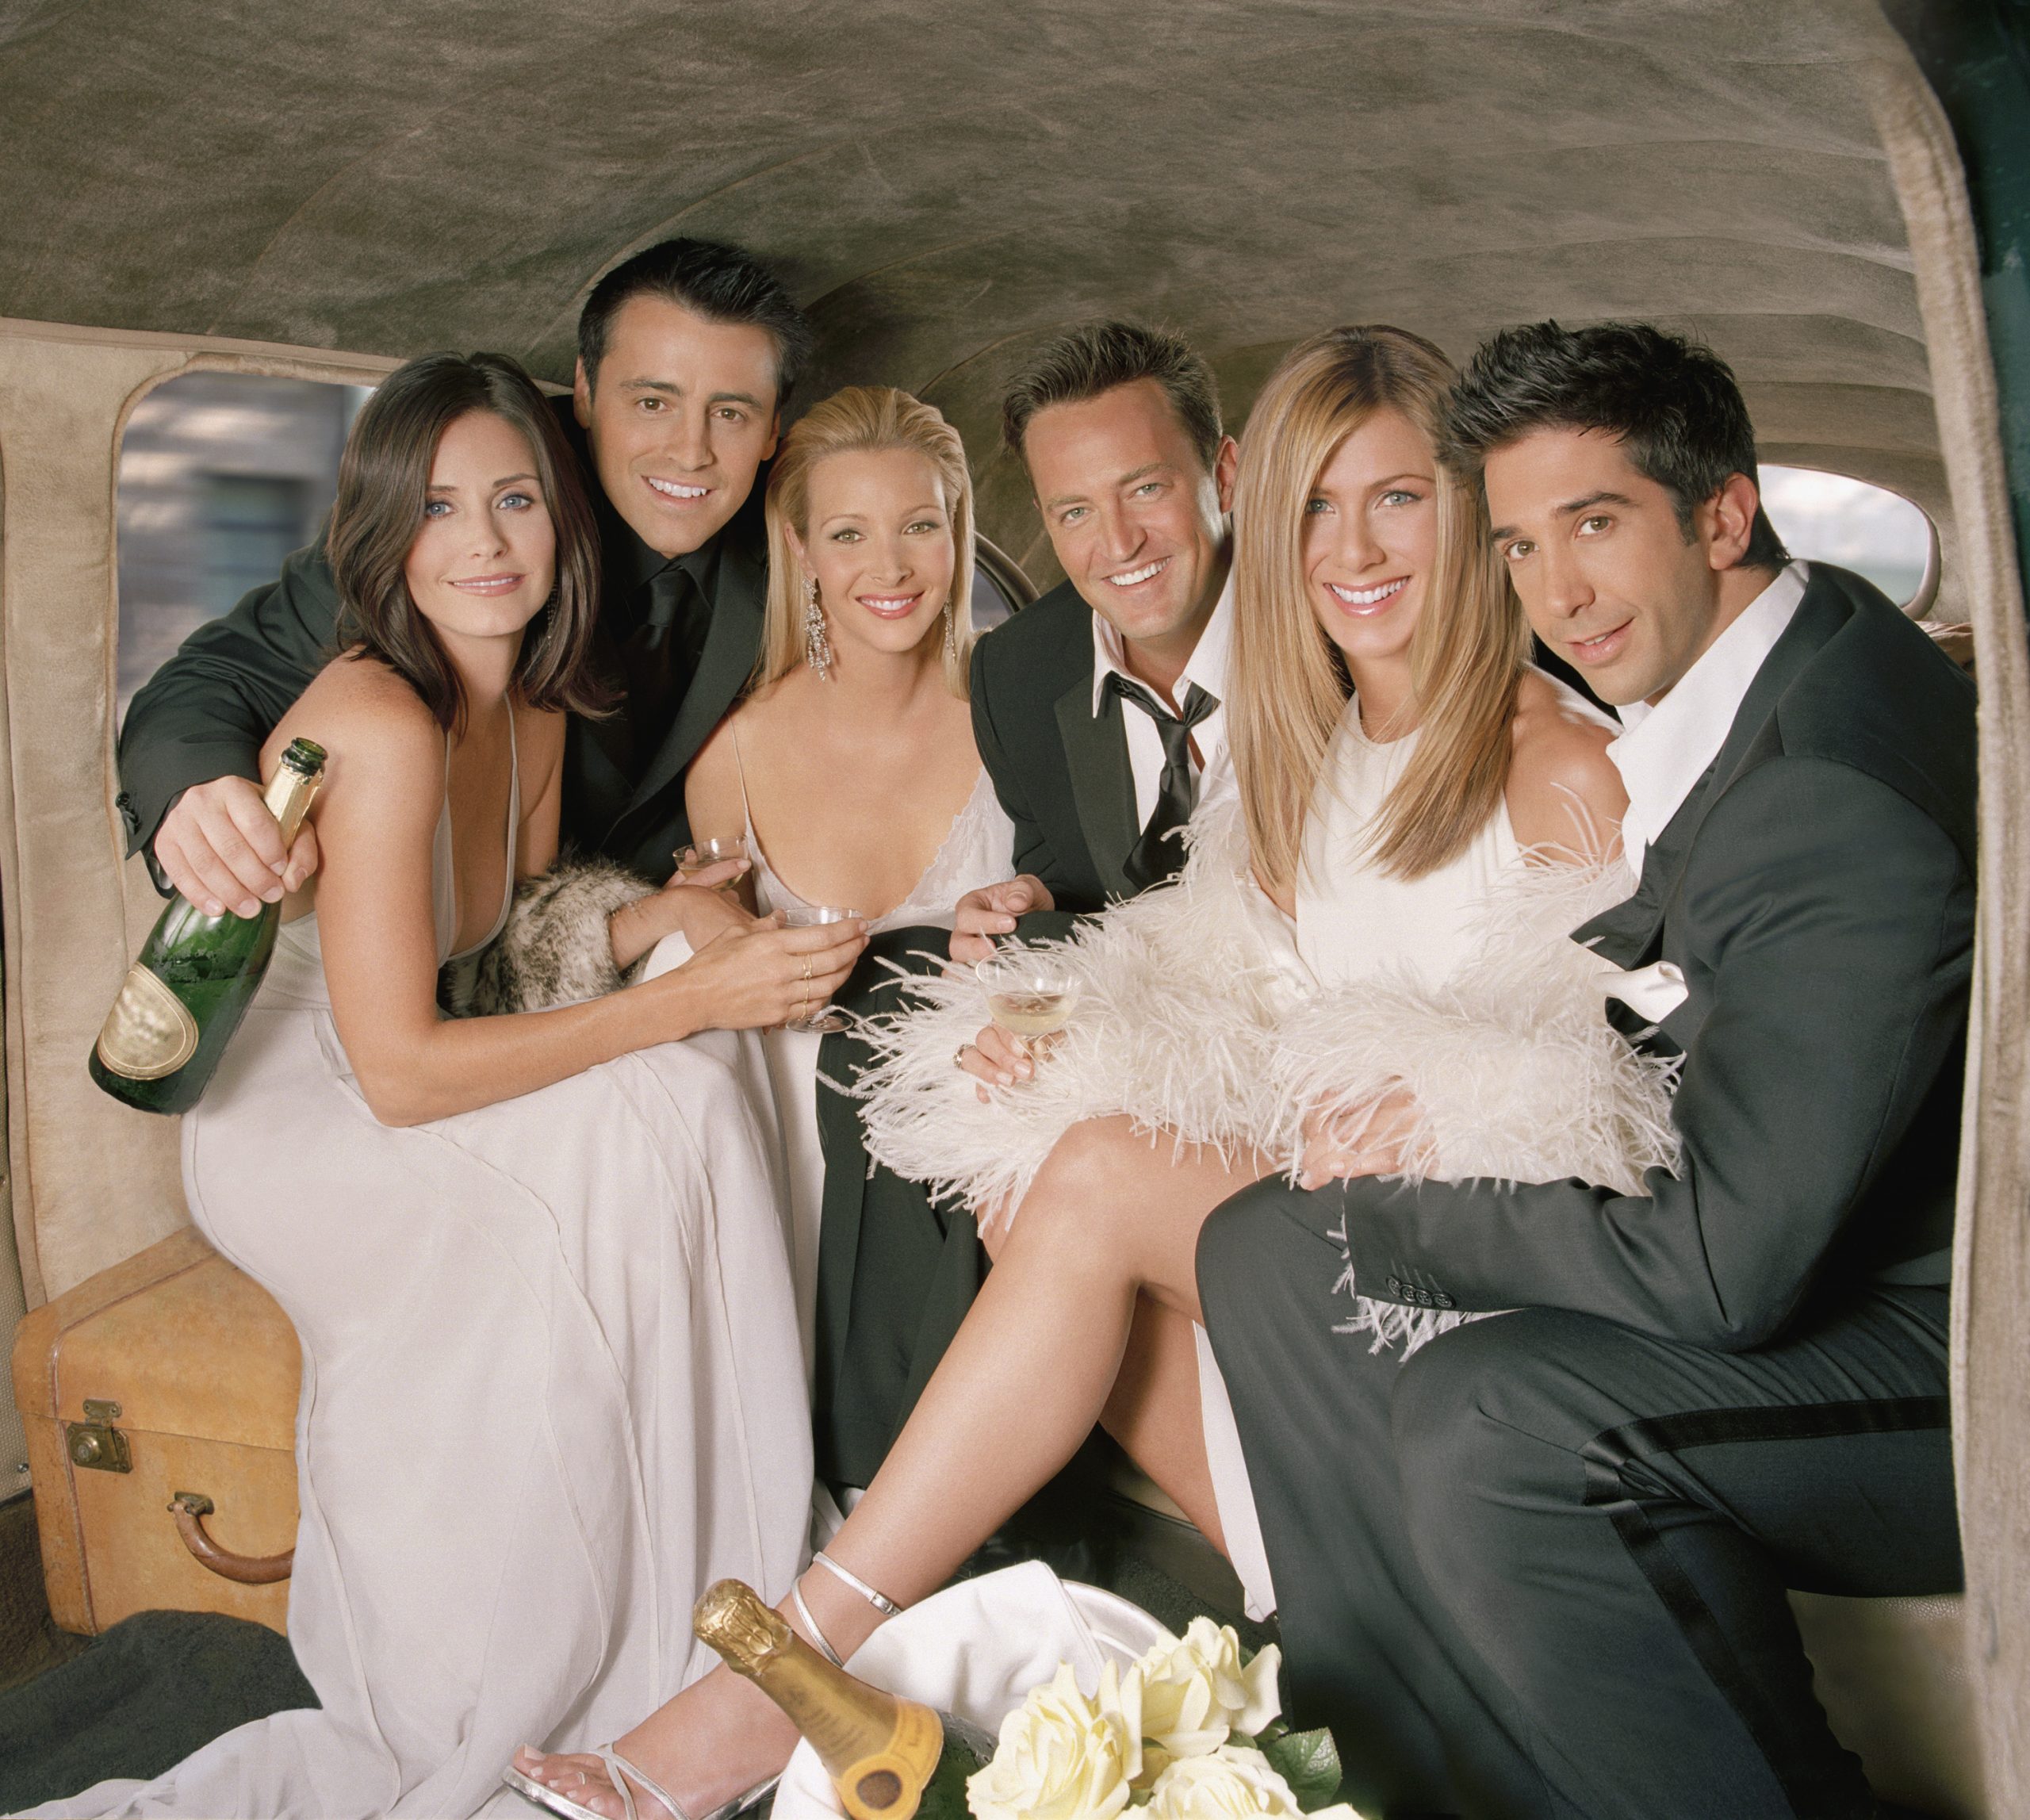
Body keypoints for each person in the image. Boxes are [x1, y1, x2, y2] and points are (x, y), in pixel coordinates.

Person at [511, 324, 1644, 1820]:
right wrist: (1057, 1012)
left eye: (1399, 501)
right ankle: (1325, 1595)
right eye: (1320, 507)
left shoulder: (1558, 758)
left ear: (1474, 513)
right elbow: (1216, 962)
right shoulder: (1315, 749)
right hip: (1320, 1194)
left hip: (1470, 1250)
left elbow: (1619, 1102)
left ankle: (777, 1672)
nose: (1355, 550)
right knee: (1024, 1161)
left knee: (1098, 1175)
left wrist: (1433, 1111)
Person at [1199, 322, 1975, 1816]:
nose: (1558, 592)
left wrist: (1416, 1202)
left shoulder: (1821, 790)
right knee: (1268, 1242)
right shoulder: (1779, 659)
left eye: (1597, 524)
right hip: (1817, 1244)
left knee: (1493, 1411)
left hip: (1951, 1357)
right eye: (1519, 544)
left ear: (1724, 516)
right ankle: (1425, 1775)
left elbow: (1723, 1274)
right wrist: (1424, 1146)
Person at [44, 354, 830, 1820]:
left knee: (696, 1093)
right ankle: (513, 1671)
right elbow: (401, 1074)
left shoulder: (534, 698)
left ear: (561, 519)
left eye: (516, 500)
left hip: (404, 1052)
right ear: (383, 535)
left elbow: (509, 944)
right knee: (664, 1094)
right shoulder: (382, 722)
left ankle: (707, 1617)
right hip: (303, 1112)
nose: (484, 543)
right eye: (440, 509)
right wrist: (683, 1002)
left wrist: (663, 924)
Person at [810, 322, 1240, 1490]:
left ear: (1223, 474)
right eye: (1074, 512)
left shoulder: (1332, 620)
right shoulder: (1025, 667)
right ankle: (884, 1475)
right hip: (1136, 987)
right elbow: (1069, 870)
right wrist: (1028, 899)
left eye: (1145, 489)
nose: (1118, 544)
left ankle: (953, 1500)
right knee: (892, 1016)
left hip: (1289, 998)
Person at [119, 236, 809, 903]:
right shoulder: (477, 489)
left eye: (730, 412)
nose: (690, 452)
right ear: (586, 390)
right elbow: (213, 680)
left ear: (774, 427)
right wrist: (193, 787)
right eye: (652, 402)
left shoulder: (811, 538)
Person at [679, 385, 1013, 1370]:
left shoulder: (1022, 717)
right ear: (800, 550)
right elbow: (720, 995)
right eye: (848, 534)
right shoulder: (731, 759)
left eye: (919, 526)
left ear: (956, 531)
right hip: (797, 1178)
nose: (890, 566)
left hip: (996, 1143)